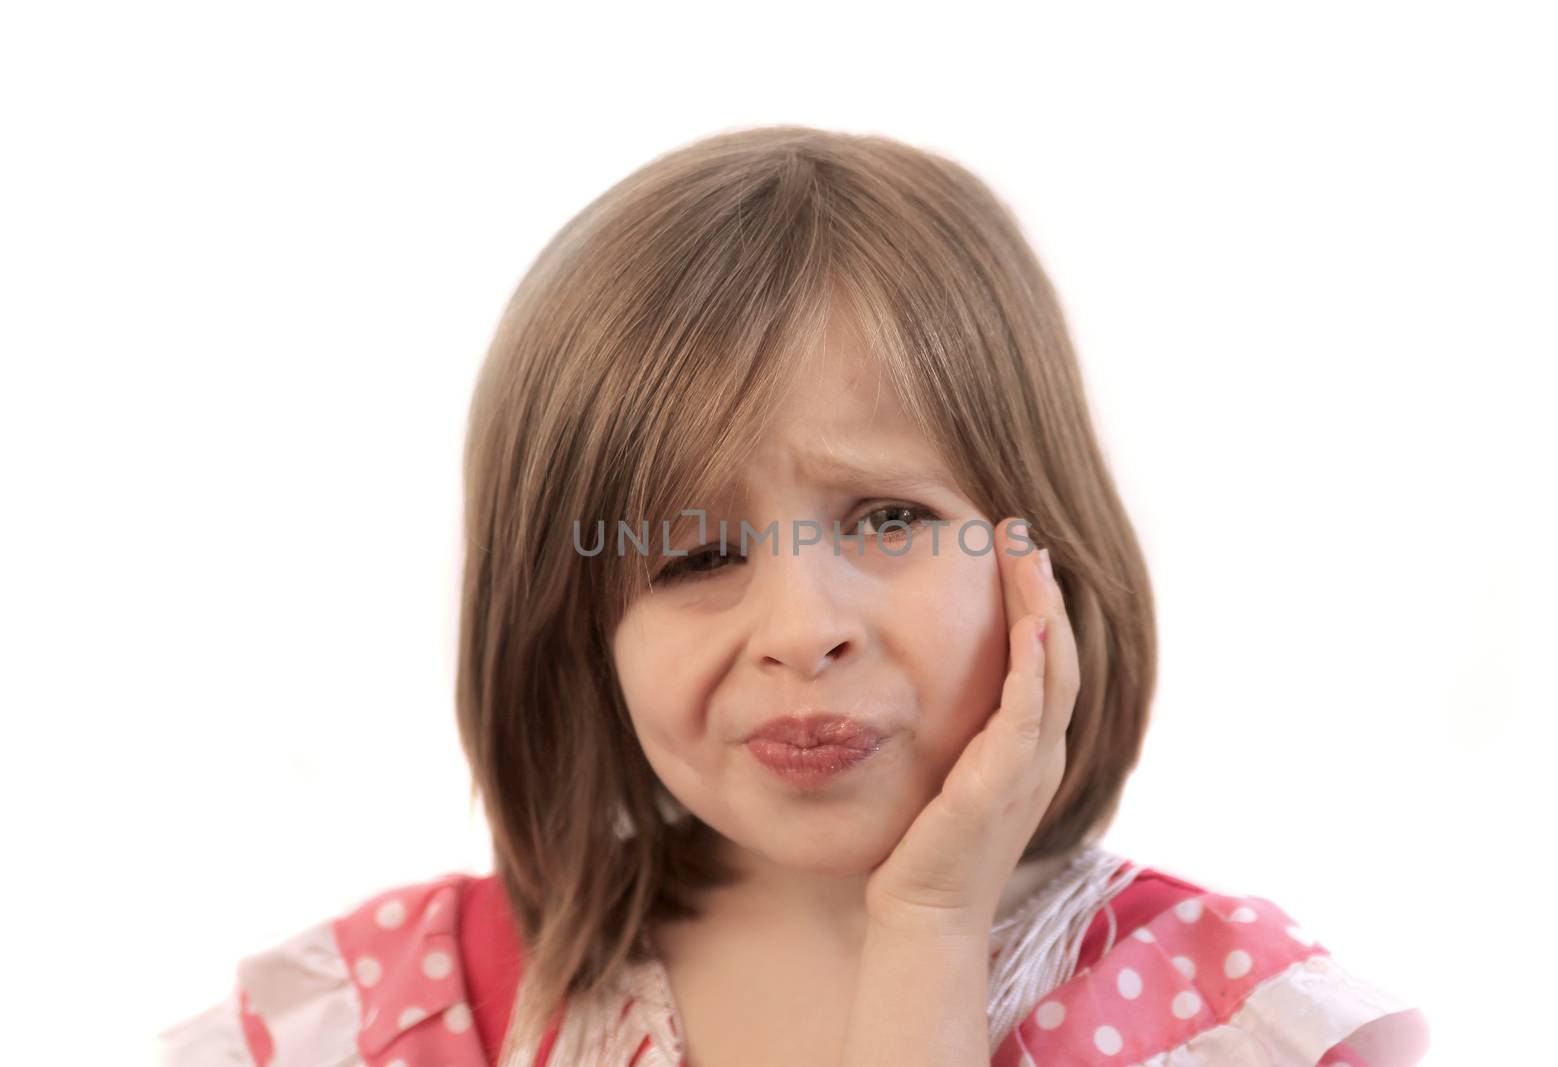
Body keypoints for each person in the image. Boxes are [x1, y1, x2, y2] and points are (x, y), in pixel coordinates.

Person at [157, 125, 1431, 1066]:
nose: (801, 628)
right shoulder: (376, 1020)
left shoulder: (1229, 1022)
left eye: (889, 518)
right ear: (574, 622)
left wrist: (928, 934)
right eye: (693, 555)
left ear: (1040, 545)